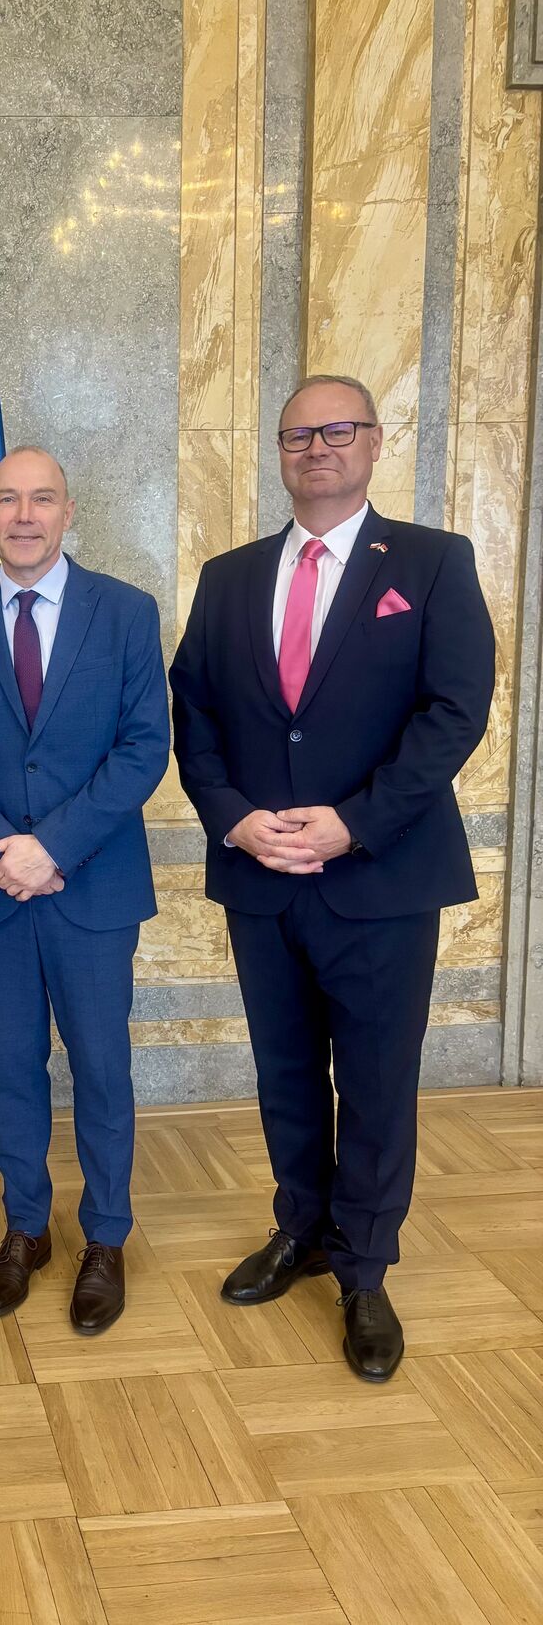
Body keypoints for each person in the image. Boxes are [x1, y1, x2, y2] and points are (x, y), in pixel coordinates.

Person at [169, 374, 494, 1381]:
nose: (316, 447)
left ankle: (363, 1268)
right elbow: (194, 712)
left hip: (381, 877)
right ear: (278, 451)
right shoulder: (228, 577)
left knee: (377, 1081)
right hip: (262, 874)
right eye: (297, 434)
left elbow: (455, 710)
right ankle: (300, 1228)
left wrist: (353, 823)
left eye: (336, 430)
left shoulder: (432, 562)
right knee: (285, 1073)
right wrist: (233, 817)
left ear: (374, 441)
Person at [0, 445, 169, 1334]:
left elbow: (144, 747)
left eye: (41, 499)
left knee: (102, 1067)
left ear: (69, 512)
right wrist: (6, 853)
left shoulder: (126, 611)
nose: (23, 515)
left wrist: (53, 847)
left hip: (91, 886)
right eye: (6, 500)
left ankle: (105, 1235)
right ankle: (26, 1226)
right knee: (10, 1068)